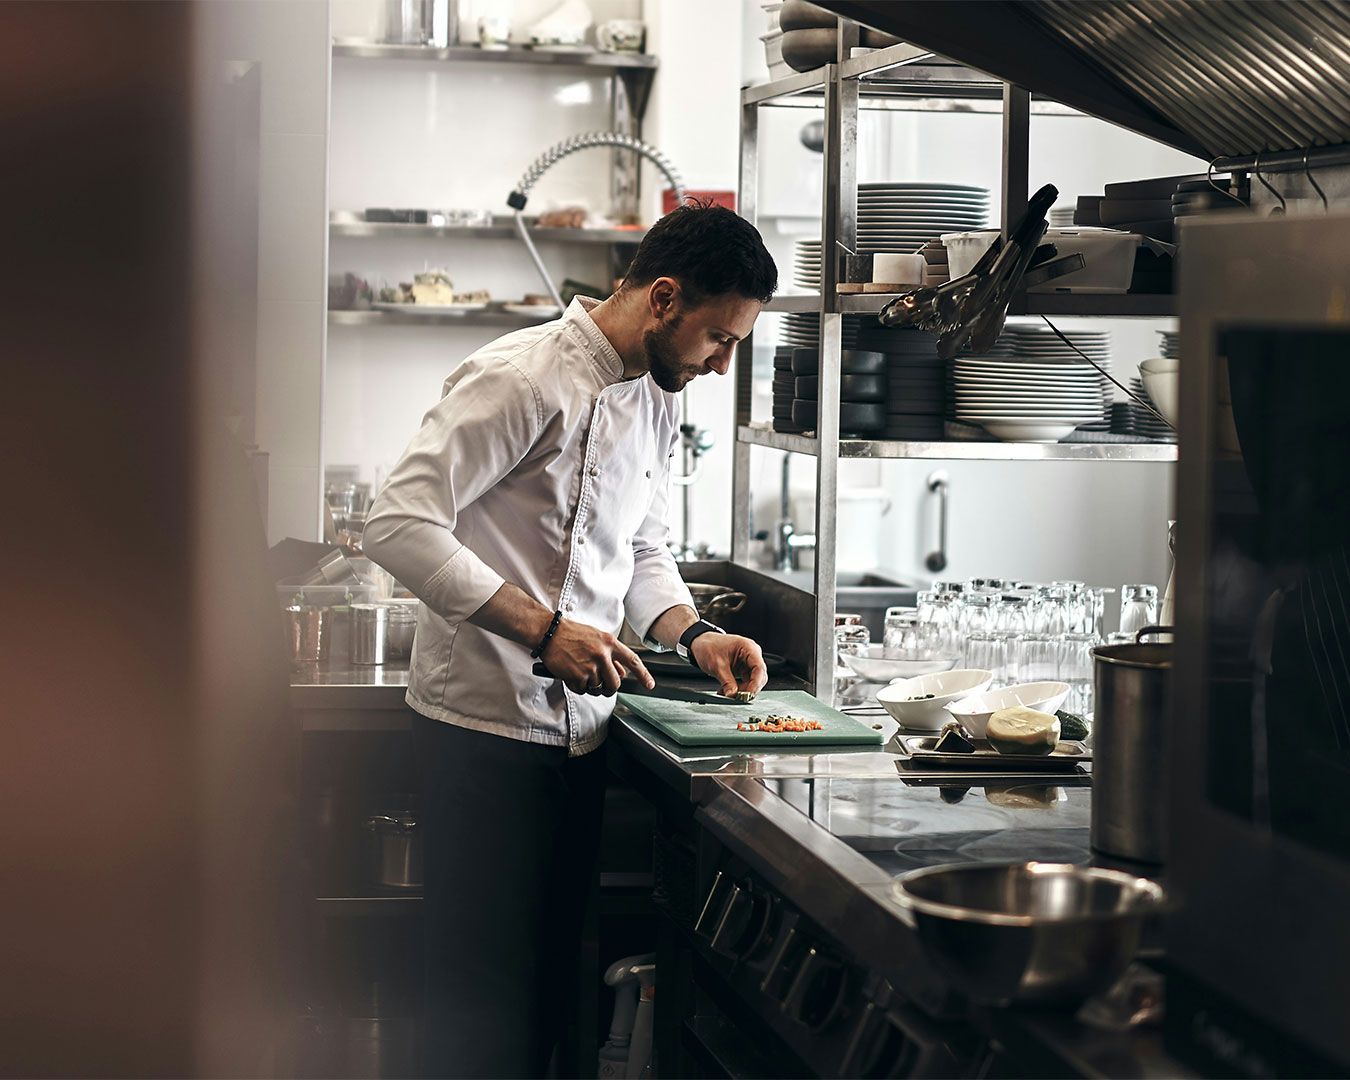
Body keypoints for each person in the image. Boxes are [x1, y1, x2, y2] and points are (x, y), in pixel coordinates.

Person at [362, 202, 779, 1078]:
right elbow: (396, 523)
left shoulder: (658, 395)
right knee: (477, 1015)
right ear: (663, 298)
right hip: (479, 733)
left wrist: (692, 632)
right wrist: (543, 631)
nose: (722, 364)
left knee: (548, 1003)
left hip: (581, 739)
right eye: (719, 338)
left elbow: (639, 544)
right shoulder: (519, 377)